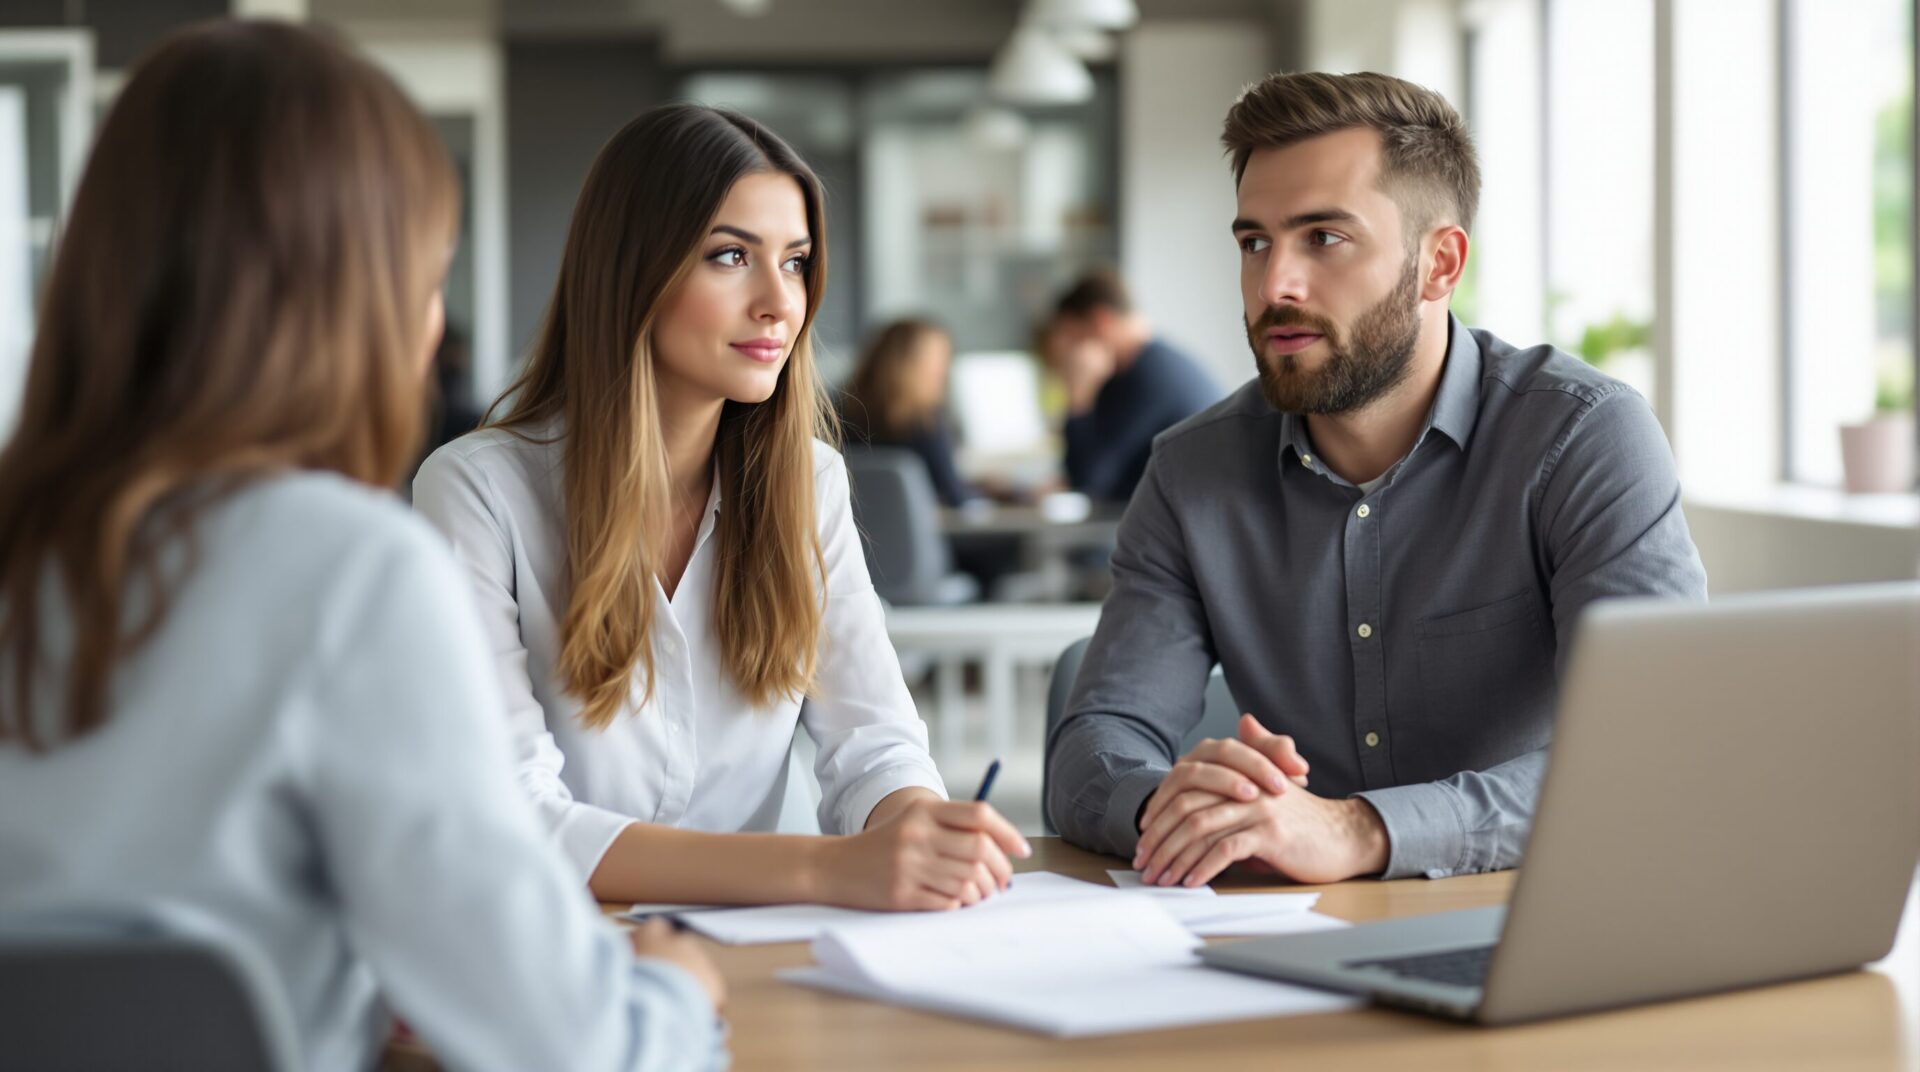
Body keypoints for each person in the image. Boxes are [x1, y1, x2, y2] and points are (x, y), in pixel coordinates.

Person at [0, 21, 724, 1071]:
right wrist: (674, 991)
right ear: (352, 305)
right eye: (426, 282)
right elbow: (578, 1051)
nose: (431, 329)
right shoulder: (347, 572)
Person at [1047, 71, 1708, 887]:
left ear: (1439, 263)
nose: (1275, 286)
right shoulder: (1191, 473)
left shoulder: (1581, 439)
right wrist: (1174, 808)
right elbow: (1095, 746)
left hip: (1540, 912)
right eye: (1254, 243)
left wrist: (1359, 830)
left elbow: (1648, 749)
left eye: (1323, 238)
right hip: (1293, 933)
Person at [414, 104, 1028, 911]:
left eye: (796, 262)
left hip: (762, 952)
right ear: (633, 272)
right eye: (732, 256)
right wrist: (824, 870)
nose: (780, 302)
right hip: (564, 946)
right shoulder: (476, 491)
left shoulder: (808, 482)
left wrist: (912, 824)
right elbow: (508, 814)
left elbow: (874, 741)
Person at [1041, 270, 1223, 501]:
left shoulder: (1150, 376)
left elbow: (1087, 481)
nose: (1068, 355)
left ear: (1101, 322)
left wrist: (1078, 395)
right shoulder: (1144, 365)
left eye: (1073, 338)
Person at [838, 317, 976, 508]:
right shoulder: (926, 426)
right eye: (938, 359)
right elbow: (957, 497)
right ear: (910, 364)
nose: (944, 371)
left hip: (850, 526)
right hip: (921, 527)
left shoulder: (837, 416)